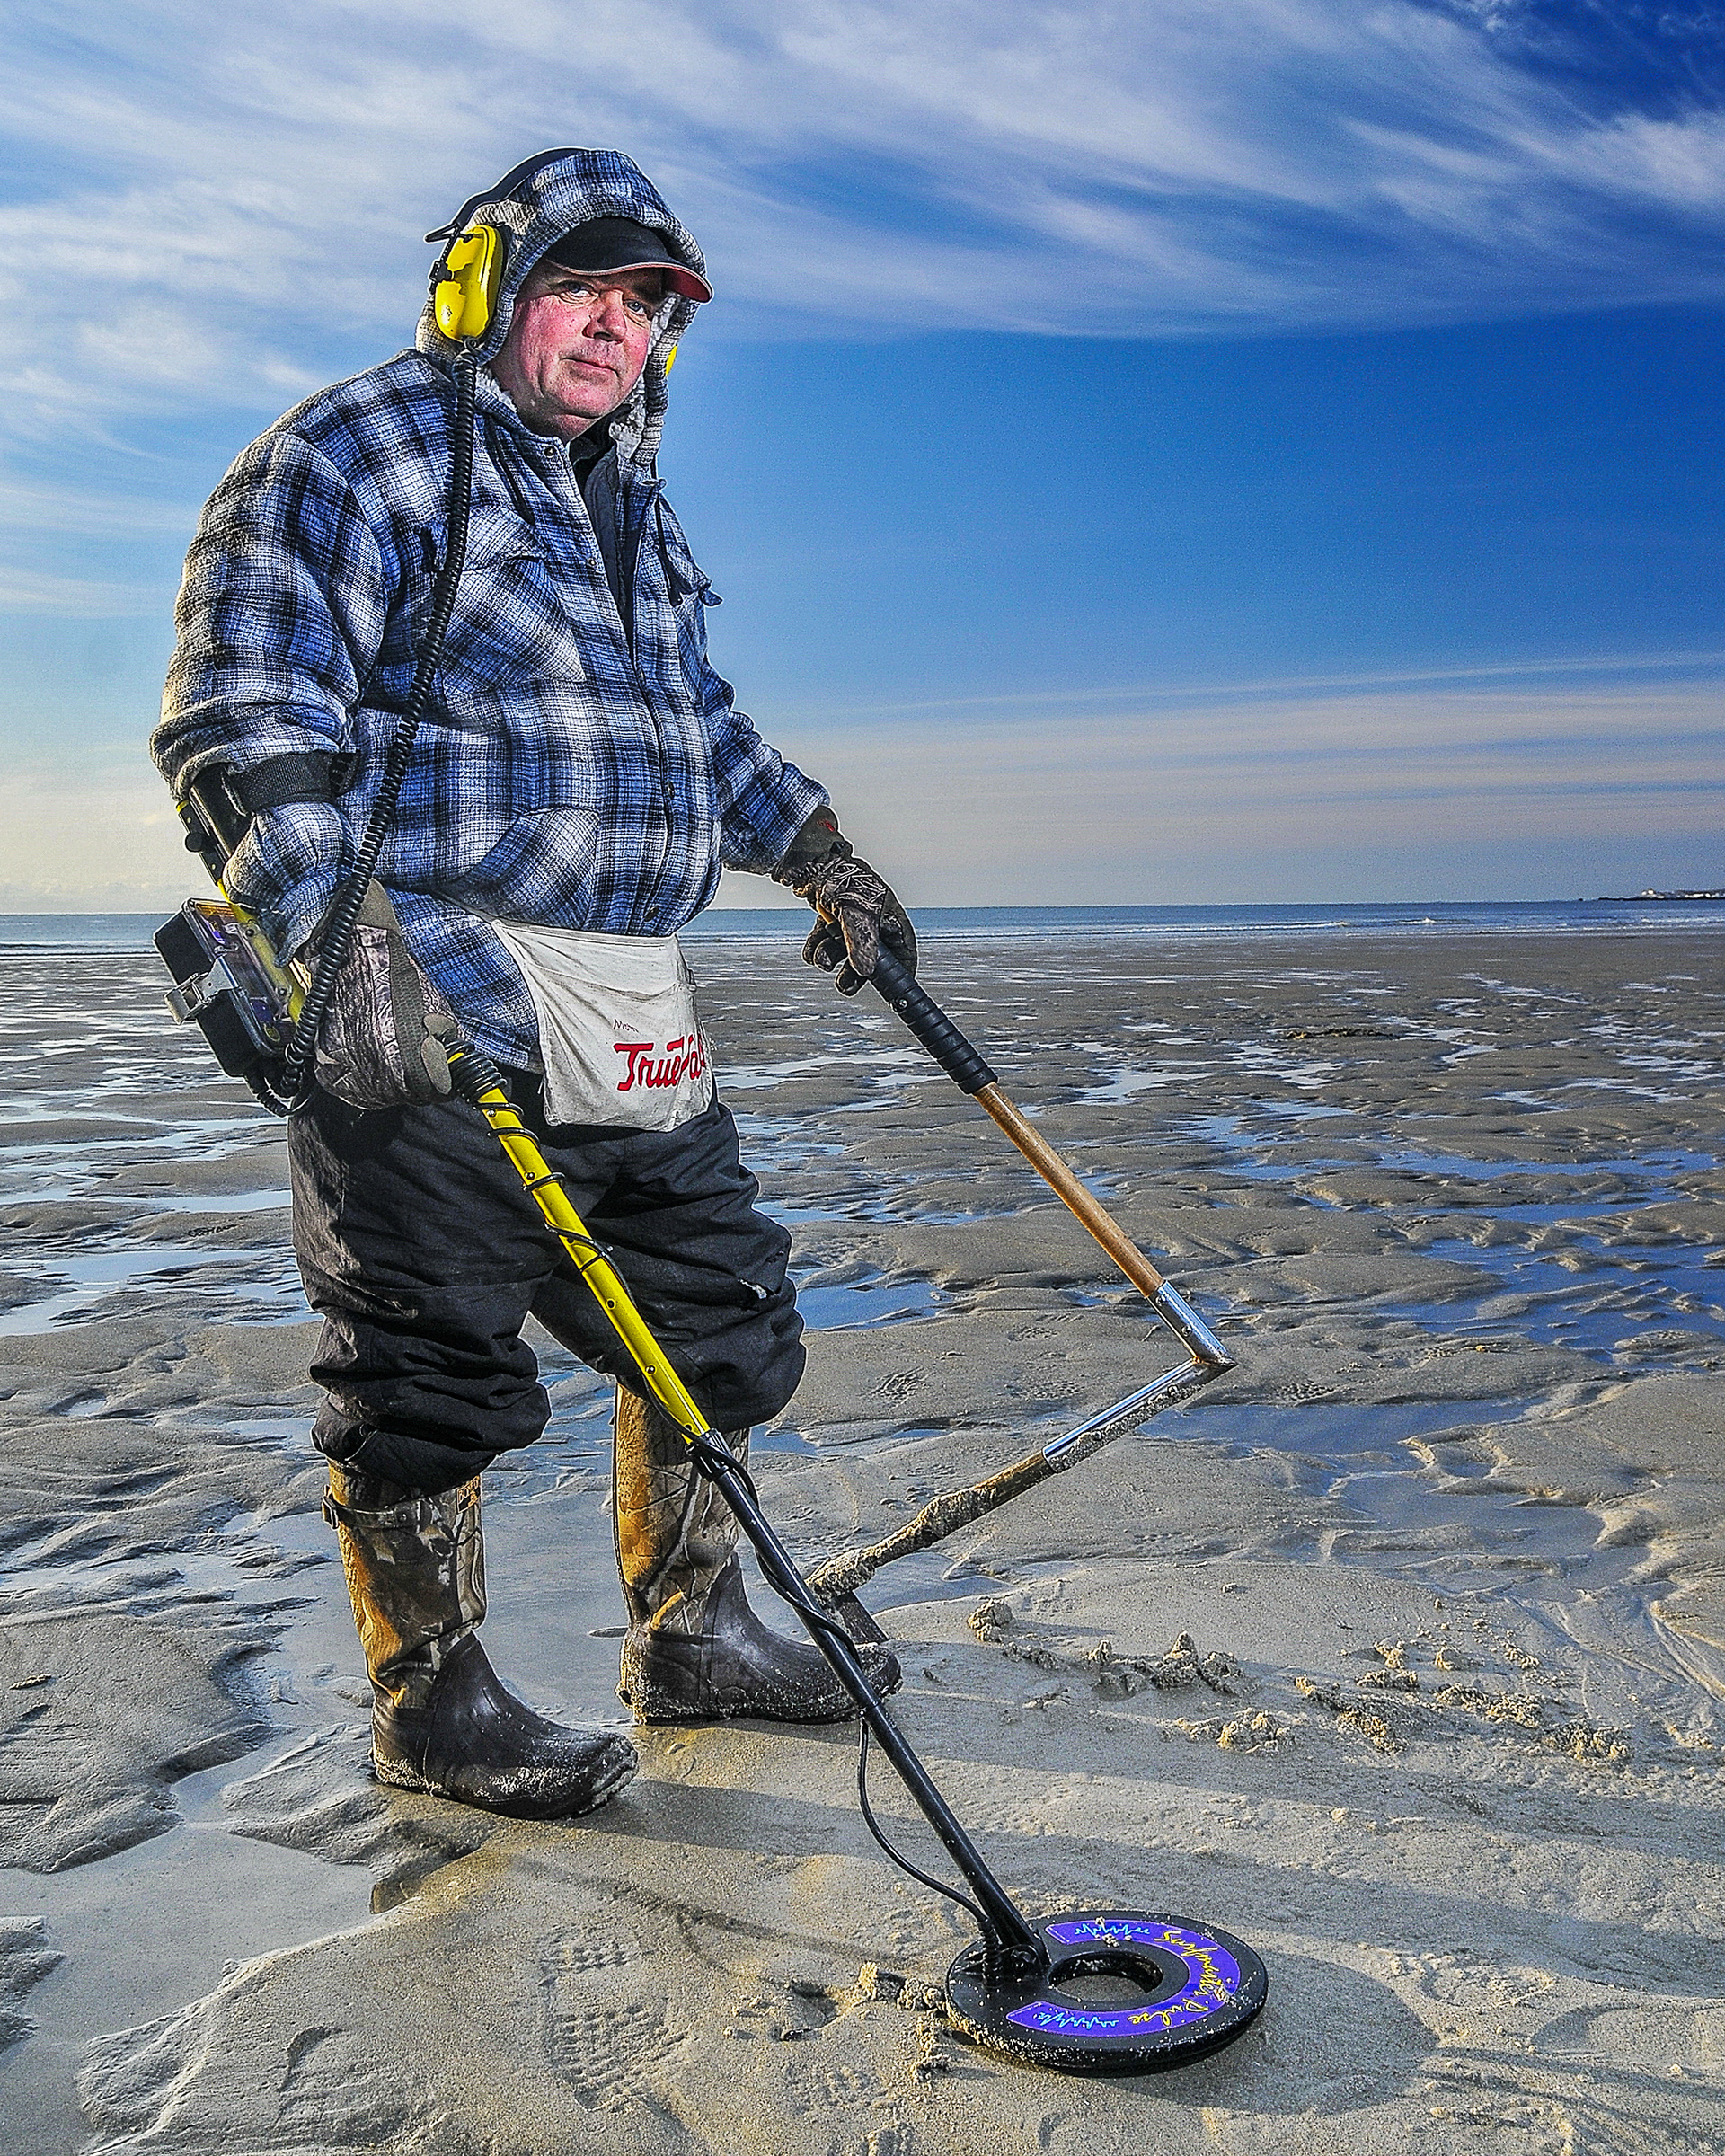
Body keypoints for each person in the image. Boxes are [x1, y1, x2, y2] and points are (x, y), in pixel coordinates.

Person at [152, 147, 916, 1822]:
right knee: (424, 1358)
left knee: (712, 1318)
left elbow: (698, 729)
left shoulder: (633, 505)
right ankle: (434, 1703)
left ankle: (694, 1632)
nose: (616, 330)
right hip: (420, 994)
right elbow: (243, 708)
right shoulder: (358, 452)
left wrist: (827, 853)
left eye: (649, 306)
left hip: (624, 1000)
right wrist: (338, 940)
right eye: (584, 287)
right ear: (487, 286)